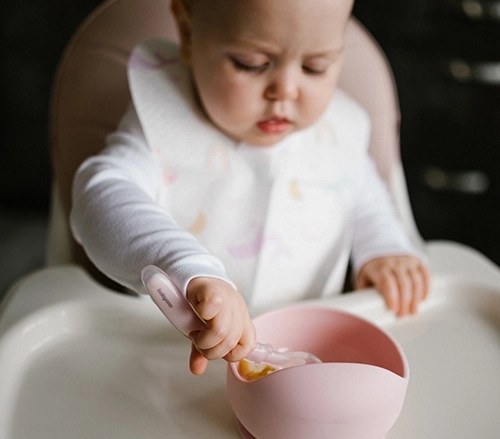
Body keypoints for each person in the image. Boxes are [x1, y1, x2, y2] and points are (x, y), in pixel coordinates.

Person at [70, 0, 431, 376]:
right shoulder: (159, 124)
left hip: (305, 355)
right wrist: (184, 266)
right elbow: (100, 193)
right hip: (169, 361)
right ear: (189, 33)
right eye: (251, 64)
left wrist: (384, 249)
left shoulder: (337, 134)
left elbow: (365, 201)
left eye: (315, 67)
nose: (285, 90)